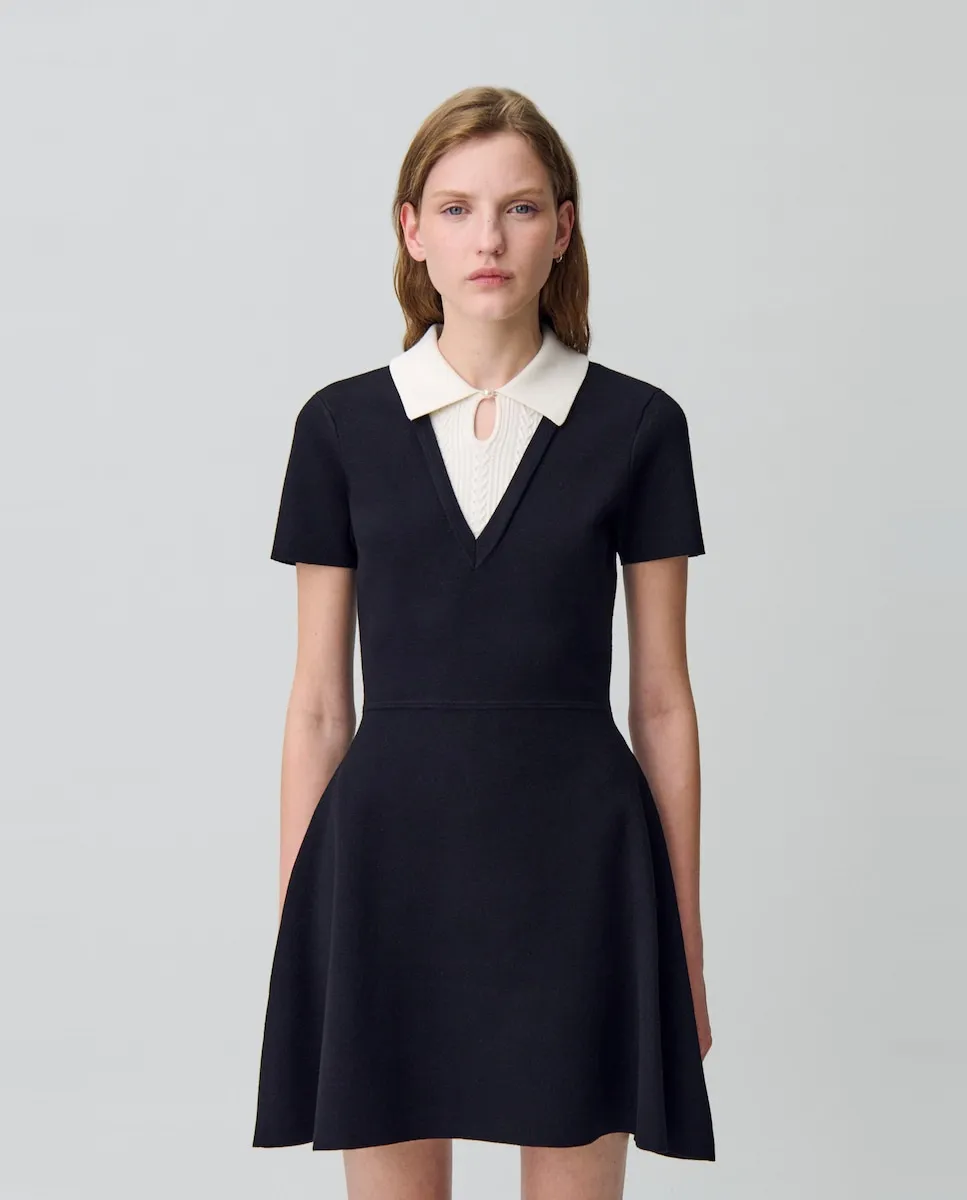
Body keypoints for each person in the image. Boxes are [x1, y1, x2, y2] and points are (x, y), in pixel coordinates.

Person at [252, 85, 715, 1200]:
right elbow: (319, 703)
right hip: (384, 872)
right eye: (457, 209)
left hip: (580, 874)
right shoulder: (340, 427)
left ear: (563, 228)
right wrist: (302, 934)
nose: (489, 240)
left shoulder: (639, 426)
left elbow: (661, 699)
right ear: (412, 230)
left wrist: (682, 939)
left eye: (519, 208)